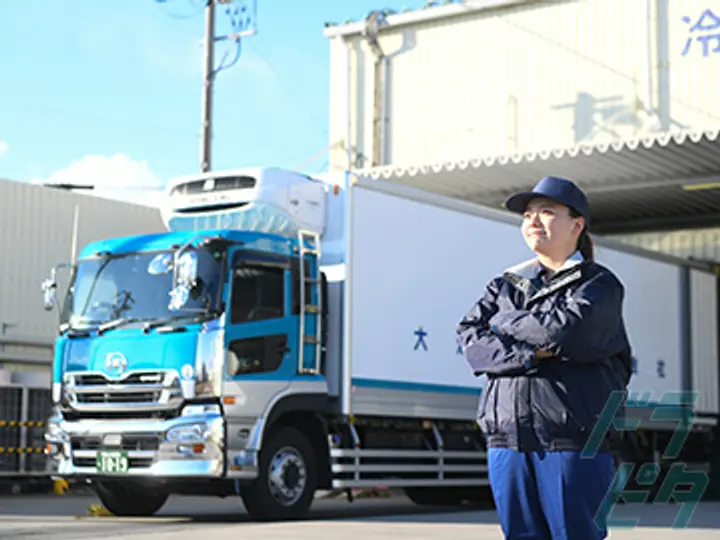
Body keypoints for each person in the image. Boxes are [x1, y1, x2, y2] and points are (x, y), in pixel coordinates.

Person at [456, 176, 633, 540]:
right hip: (507, 440)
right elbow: (471, 340)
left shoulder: (598, 284)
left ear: (577, 224)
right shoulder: (505, 284)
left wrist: (504, 321)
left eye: (547, 212)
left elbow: (563, 332)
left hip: (572, 442)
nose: (533, 220)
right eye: (528, 215)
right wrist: (530, 355)